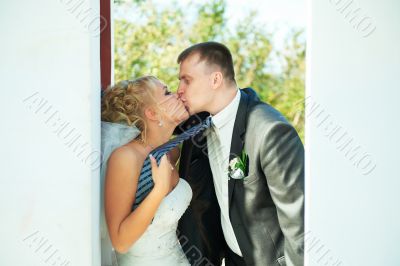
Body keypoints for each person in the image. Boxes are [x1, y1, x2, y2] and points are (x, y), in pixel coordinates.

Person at [176, 42, 305, 266]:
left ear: (215, 80)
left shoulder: (269, 131)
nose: (179, 89)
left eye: (187, 80)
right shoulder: (199, 126)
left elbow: (299, 224)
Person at [100, 76, 192, 266]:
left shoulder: (172, 152)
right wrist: (159, 191)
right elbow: (120, 242)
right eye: (167, 92)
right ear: (152, 113)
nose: (177, 95)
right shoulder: (126, 158)